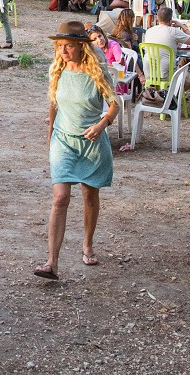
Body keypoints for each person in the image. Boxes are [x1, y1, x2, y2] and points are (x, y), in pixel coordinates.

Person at [36, 21, 117, 280]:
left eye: (68, 46)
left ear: (82, 46)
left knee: (88, 195)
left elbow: (115, 105)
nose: (63, 51)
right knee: (60, 198)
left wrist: (103, 124)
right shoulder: (57, 71)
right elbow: (52, 105)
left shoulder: (96, 72)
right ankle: (52, 262)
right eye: (60, 46)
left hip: (91, 142)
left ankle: (87, 244)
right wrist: (49, 139)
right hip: (63, 140)